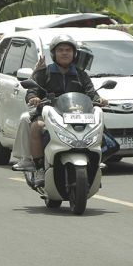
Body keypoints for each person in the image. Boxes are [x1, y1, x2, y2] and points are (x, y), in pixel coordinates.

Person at [13, 34, 107, 187]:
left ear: (74, 53)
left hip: (77, 116)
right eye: (61, 50)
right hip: (50, 115)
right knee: (36, 127)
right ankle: (38, 168)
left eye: (68, 50)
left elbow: (91, 93)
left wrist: (99, 99)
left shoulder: (80, 74)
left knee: (99, 123)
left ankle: (95, 162)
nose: (65, 53)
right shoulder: (45, 72)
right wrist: (33, 98)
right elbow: (33, 89)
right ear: (54, 53)